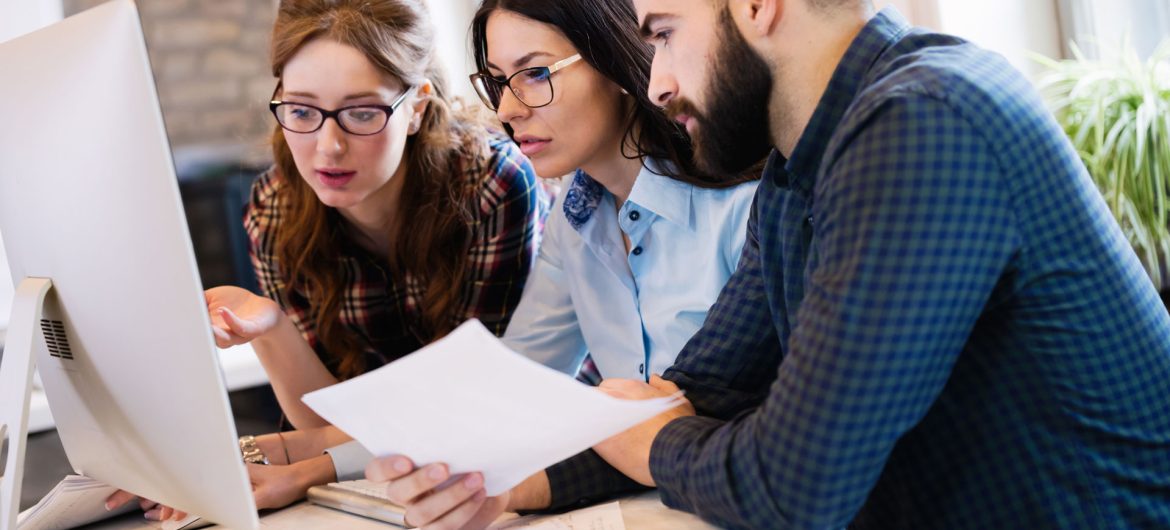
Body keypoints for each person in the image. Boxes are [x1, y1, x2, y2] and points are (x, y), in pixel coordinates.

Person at [369, 0, 1170, 528]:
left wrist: (654, 439)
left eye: (663, 33)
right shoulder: (798, 165)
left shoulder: (921, 121)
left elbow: (794, 489)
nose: (658, 83)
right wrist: (509, 486)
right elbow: (707, 389)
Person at [315, 0, 760, 522]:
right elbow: (509, 386)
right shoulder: (575, 216)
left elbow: (732, 421)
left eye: (534, 73)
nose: (507, 110)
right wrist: (318, 467)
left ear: (618, 59)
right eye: (498, 81)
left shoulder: (745, 207)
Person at [107, 0, 547, 520]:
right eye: (301, 111)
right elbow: (320, 418)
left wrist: (299, 462)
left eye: (362, 112)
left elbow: (479, 404)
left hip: (523, 466)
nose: (327, 147)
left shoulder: (492, 185)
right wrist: (270, 327)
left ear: (417, 108)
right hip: (384, 485)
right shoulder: (276, 209)